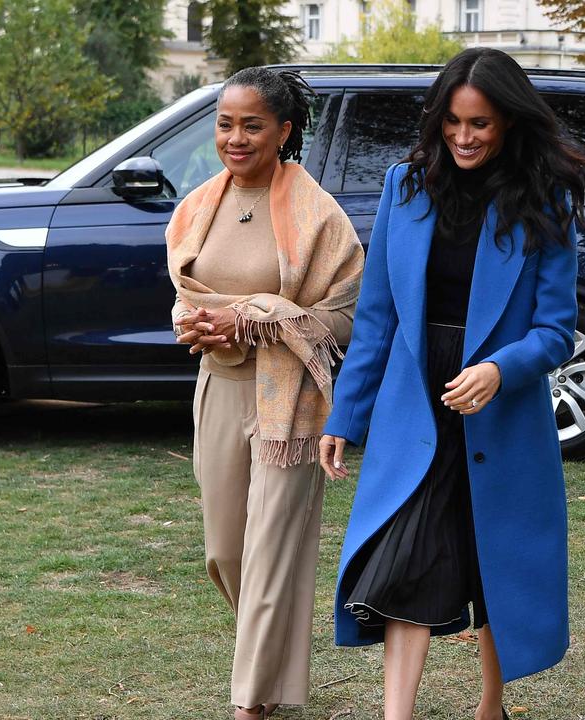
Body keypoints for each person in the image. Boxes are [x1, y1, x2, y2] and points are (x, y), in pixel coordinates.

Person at [317, 47, 585, 720]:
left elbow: (556, 332)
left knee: (493, 560)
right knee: (405, 556)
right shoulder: (403, 187)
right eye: (453, 123)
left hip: (498, 408)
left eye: (481, 125)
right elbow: (376, 317)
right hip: (417, 404)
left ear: (508, 125)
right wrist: (342, 417)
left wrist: (500, 369)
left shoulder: (544, 199)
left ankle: (490, 707)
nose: (464, 137)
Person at [166, 67, 364, 719]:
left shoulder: (318, 216)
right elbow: (187, 293)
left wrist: (254, 315)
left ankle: (251, 705)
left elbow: (343, 317)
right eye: (226, 124)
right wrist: (195, 321)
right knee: (225, 553)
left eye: (253, 125)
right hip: (218, 390)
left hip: (289, 403)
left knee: (272, 549)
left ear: (284, 130)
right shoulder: (198, 205)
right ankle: (272, 666)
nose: (236, 137)